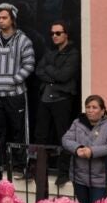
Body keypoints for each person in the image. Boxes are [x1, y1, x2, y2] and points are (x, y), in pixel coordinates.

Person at [0, 2, 36, 164]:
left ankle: (20, 164)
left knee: (18, 130)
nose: (1, 21)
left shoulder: (23, 40)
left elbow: (29, 64)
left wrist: (13, 80)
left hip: (15, 94)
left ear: (12, 19)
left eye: (4, 18)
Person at [60, 94, 107, 203]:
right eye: (88, 107)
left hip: (100, 180)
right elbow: (66, 139)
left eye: (94, 107)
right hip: (79, 177)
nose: (90, 110)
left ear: (102, 111)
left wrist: (92, 152)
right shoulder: (77, 123)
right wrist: (77, 148)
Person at [34, 19, 81, 150]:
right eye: (52, 33)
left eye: (58, 33)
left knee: (63, 135)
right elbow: (38, 71)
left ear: (66, 34)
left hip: (62, 99)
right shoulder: (50, 52)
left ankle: (64, 170)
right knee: (40, 135)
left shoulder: (73, 54)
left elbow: (63, 76)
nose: (54, 36)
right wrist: (54, 75)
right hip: (45, 98)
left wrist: (49, 68)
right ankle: (40, 168)